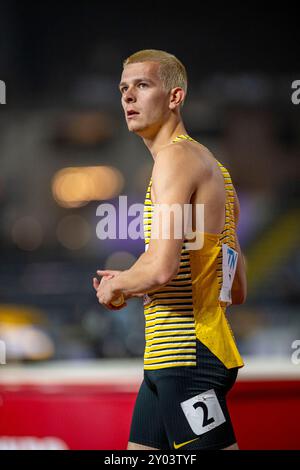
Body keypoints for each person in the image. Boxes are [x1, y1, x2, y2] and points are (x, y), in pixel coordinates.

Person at [93, 49, 247, 450]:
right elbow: (237, 286)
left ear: (175, 97)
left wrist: (118, 286)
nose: (128, 97)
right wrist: (130, 278)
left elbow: (161, 270)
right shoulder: (215, 168)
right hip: (170, 357)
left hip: (186, 357)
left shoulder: (174, 159)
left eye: (142, 86)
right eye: (123, 88)